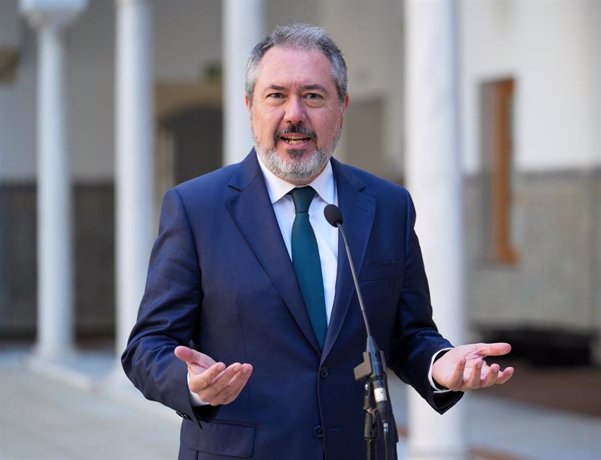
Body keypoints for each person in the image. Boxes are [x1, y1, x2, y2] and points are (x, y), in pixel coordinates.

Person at [121, 23, 514, 460]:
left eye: (313, 96)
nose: (294, 114)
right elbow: (147, 346)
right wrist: (190, 384)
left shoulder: (387, 206)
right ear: (250, 106)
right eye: (276, 96)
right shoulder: (196, 208)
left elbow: (409, 332)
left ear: (341, 107)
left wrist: (441, 367)